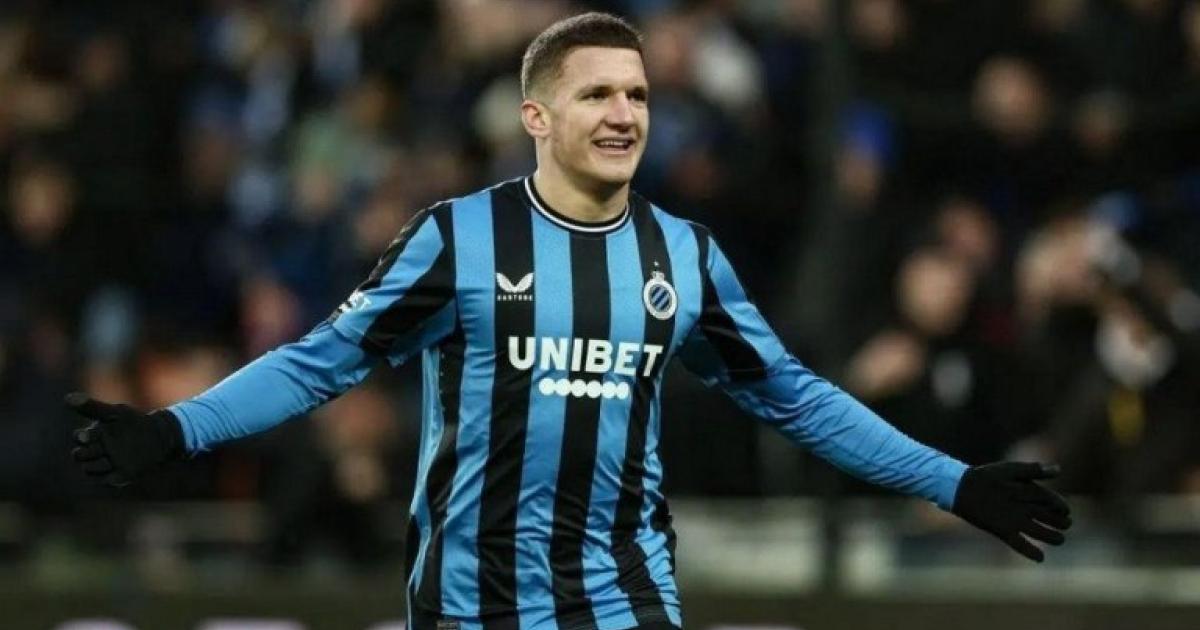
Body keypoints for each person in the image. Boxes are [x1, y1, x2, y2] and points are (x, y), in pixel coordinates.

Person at [68, 12, 1071, 630]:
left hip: (626, 601)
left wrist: (954, 482)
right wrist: (175, 429)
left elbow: (797, 399)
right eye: (596, 94)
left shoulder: (683, 257)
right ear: (537, 118)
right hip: (471, 606)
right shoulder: (456, 239)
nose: (625, 113)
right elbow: (317, 364)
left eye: (637, 93)